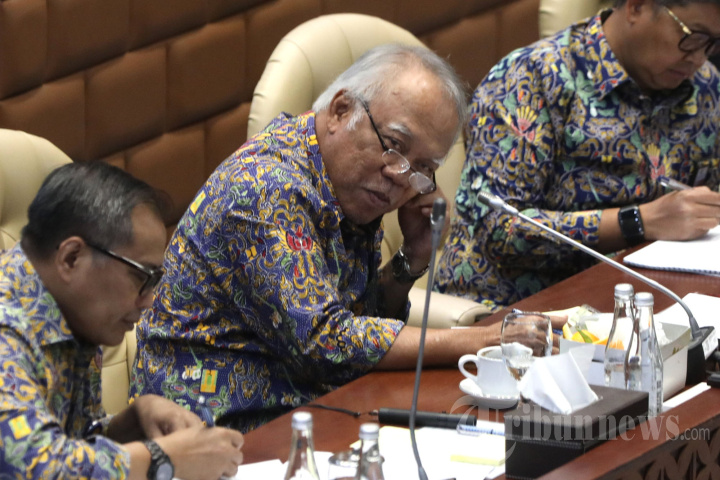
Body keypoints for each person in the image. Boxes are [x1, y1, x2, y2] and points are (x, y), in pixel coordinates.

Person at [129, 44, 563, 433]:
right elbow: (325, 342)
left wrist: (411, 258)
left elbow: (360, 320)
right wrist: (484, 338)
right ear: (340, 111)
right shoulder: (267, 188)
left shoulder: (345, 181)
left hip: (313, 408)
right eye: (394, 145)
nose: (401, 177)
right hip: (217, 431)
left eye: (423, 168)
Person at [434, 0, 720, 311]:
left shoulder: (703, 86)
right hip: (515, 311)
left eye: (713, 44)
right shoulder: (530, 77)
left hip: (646, 296)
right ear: (637, 7)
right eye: (693, 37)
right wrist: (638, 222)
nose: (699, 58)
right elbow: (500, 229)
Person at [0, 162, 244, 479]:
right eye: (142, 276)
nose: (149, 300)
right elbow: (39, 467)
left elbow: (72, 442)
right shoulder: (6, 330)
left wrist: (130, 423)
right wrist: (165, 457)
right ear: (72, 257)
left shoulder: (73, 313)